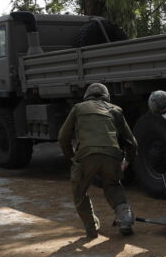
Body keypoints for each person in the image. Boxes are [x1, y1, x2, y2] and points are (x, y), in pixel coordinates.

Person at [57, 83, 137, 238]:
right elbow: (132, 142)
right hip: (112, 155)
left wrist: (71, 156)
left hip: (86, 156)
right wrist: (128, 160)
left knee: (80, 191)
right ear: (106, 96)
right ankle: (125, 220)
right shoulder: (116, 110)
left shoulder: (78, 108)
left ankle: (91, 229)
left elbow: (63, 136)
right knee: (113, 185)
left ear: (87, 96)